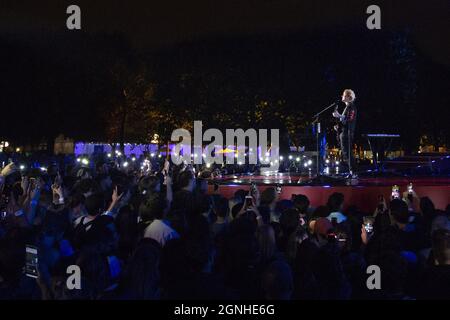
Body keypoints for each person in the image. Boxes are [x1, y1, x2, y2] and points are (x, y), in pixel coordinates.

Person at [332, 89, 357, 173]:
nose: (342, 96)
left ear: (349, 97)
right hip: (344, 132)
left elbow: (350, 119)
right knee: (346, 153)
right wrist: (338, 126)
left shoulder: (351, 106)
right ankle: (352, 171)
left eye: (344, 95)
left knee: (348, 153)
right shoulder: (347, 107)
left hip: (347, 133)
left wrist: (339, 115)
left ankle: (353, 172)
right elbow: (345, 121)